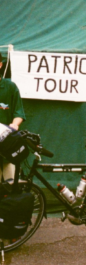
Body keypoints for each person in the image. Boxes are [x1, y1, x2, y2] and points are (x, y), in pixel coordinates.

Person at [0, 52, 26, 180]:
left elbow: (19, 113)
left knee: (10, 187)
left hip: (7, 147)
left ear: (0, 65)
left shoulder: (10, 87)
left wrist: (14, 125)